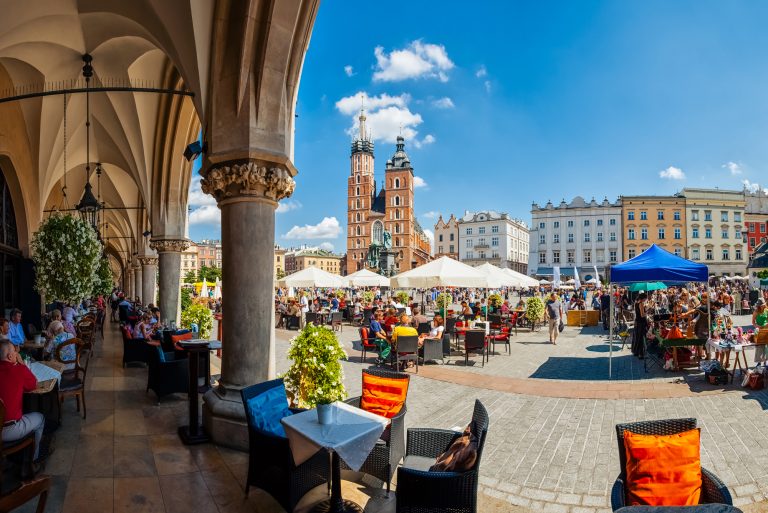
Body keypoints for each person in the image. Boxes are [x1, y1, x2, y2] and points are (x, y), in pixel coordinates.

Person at [0, 340, 45, 462]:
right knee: (40, 418)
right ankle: (33, 461)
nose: (16, 353)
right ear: (10, 356)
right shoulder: (18, 370)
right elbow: (33, 384)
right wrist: (21, 364)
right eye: (15, 351)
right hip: (9, 430)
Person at [631, 293, 648, 358]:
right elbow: (642, 315)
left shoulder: (636, 303)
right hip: (641, 323)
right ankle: (640, 354)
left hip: (638, 322)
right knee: (640, 338)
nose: (646, 300)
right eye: (645, 298)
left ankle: (636, 352)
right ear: (643, 298)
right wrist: (647, 312)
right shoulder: (641, 304)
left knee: (638, 338)